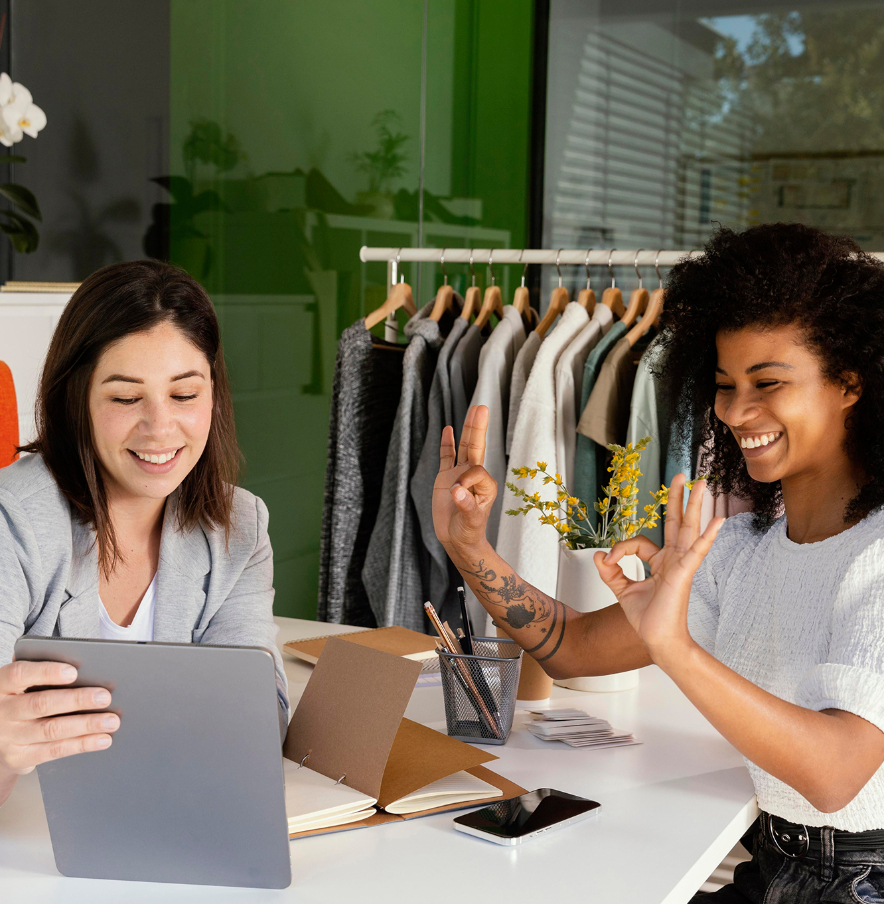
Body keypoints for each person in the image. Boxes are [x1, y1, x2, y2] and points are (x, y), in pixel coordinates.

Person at [433, 224, 884, 903]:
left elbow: (835, 773)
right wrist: (470, 547)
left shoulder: (876, 556)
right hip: (771, 864)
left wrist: (671, 645)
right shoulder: (742, 551)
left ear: (849, 384)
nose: (735, 409)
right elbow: (572, 649)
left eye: (768, 382)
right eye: (725, 383)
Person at [0, 260, 288, 808]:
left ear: (214, 396)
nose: (160, 428)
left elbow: (257, 720)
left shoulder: (240, 526)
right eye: (126, 398)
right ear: (76, 400)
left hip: (178, 817)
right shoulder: (12, 522)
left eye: (184, 395)